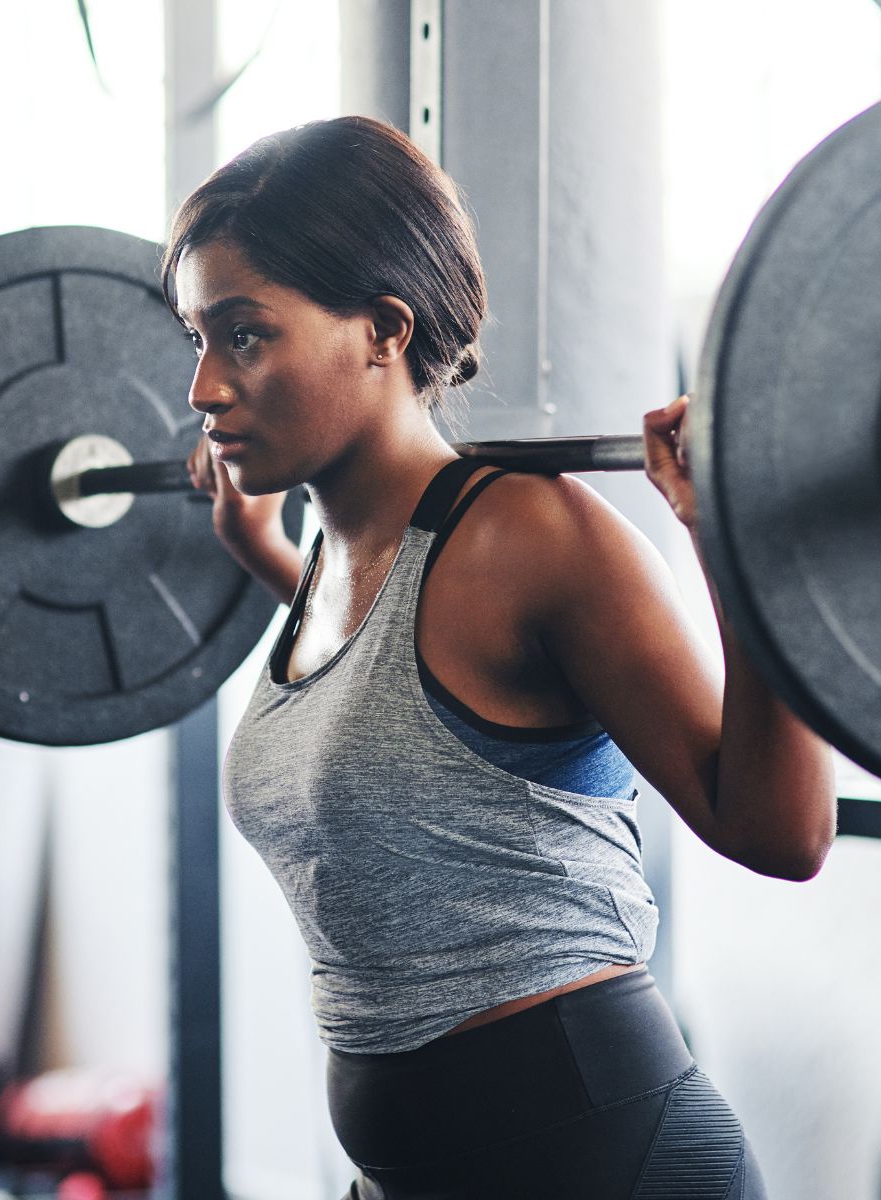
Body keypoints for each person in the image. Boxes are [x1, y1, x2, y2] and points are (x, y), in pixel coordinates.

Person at [167, 115, 834, 1199]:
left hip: (599, 1162)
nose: (204, 387)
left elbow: (782, 830)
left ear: (384, 328)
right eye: (195, 339)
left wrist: (743, 547)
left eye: (244, 334)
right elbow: (397, 720)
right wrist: (264, 556)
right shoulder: (337, 562)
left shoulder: (531, 537)